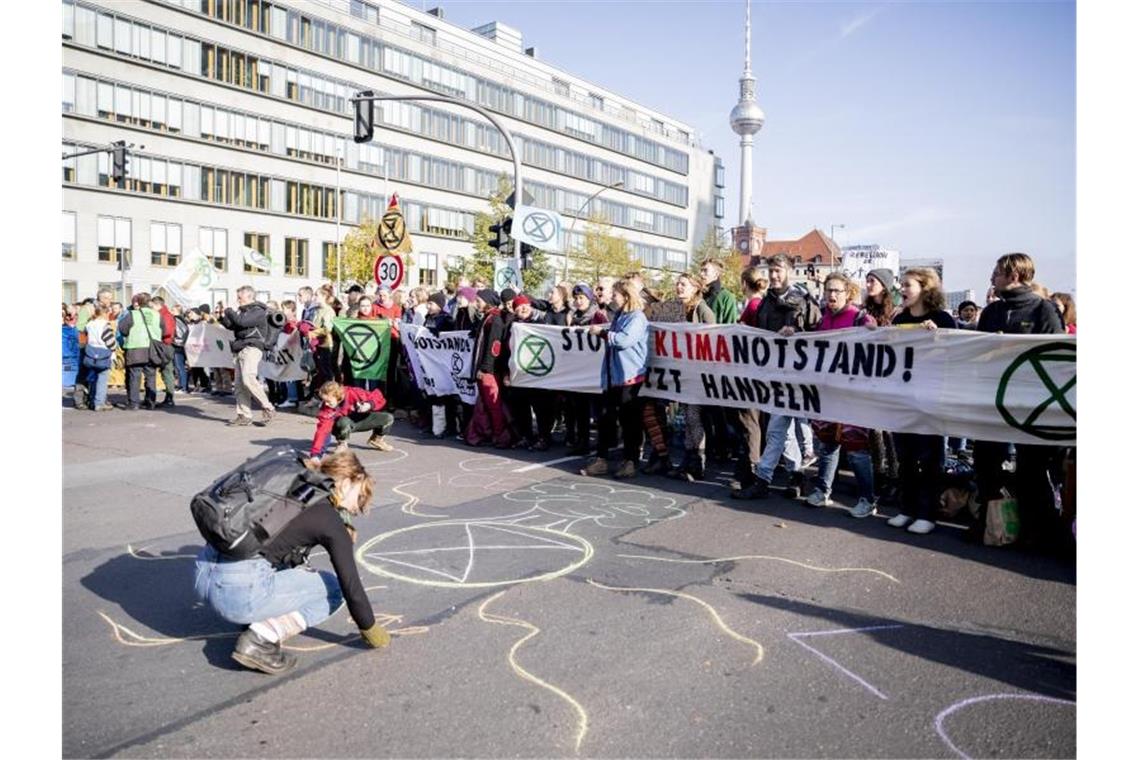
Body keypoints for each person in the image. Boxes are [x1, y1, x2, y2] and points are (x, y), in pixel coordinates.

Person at [193, 450, 389, 675]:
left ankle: (253, 619)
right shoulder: (329, 520)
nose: (356, 508)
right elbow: (351, 587)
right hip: (237, 595)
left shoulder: (291, 485)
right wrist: (372, 631)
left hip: (203, 573)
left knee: (289, 565)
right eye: (360, 497)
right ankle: (260, 640)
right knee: (333, 588)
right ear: (346, 483)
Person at [975, 252, 1065, 548]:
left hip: (1031, 406)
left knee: (1032, 470)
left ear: (1014, 276)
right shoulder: (990, 313)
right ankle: (991, 523)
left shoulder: (1044, 310)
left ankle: (1036, 531)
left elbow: (1055, 359)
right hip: (992, 403)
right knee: (985, 463)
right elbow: (975, 355)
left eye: (996, 272)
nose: (991, 278)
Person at [734, 255, 815, 499]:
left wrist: (797, 333)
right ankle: (797, 476)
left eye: (778, 270)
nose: (774, 275)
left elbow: (817, 331)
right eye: (771, 270)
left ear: (789, 271)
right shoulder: (767, 302)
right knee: (783, 430)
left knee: (778, 429)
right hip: (772, 372)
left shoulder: (801, 299)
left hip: (796, 374)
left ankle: (763, 479)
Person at [885, 268, 958, 535]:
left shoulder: (943, 319)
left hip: (932, 398)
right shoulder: (901, 318)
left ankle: (927, 513)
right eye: (901, 285)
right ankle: (907, 509)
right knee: (905, 457)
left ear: (925, 289)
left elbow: (956, 353)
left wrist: (939, 337)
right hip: (904, 398)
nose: (902, 289)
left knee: (928, 458)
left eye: (908, 285)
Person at [802, 274, 878, 516]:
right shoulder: (822, 320)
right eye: (828, 291)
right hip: (827, 393)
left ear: (848, 293)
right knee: (827, 444)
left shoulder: (859, 318)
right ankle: (823, 490)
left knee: (856, 449)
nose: (831, 295)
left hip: (853, 394)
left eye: (836, 291)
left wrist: (874, 333)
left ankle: (868, 499)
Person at [581, 280, 648, 479]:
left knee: (630, 422)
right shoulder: (620, 316)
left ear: (626, 296)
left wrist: (602, 332)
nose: (613, 298)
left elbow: (624, 340)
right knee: (605, 418)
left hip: (630, 376)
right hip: (613, 375)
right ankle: (601, 459)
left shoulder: (637, 317)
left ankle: (630, 461)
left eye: (616, 294)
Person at [668, 274, 715, 481]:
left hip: (698, 372)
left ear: (696, 288)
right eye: (677, 284)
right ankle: (687, 459)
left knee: (694, 417)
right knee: (686, 417)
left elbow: (713, 340)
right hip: (683, 371)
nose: (679, 287)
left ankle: (697, 461)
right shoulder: (677, 310)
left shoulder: (703, 310)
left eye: (683, 284)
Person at [221, 285, 275, 427]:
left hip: (252, 347)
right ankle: (244, 415)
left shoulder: (258, 311)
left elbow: (241, 322)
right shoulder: (243, 311)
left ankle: (267, 406)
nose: (238, 300)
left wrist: (229, 310)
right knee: (239, 384)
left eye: (240, 297)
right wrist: (223, 315)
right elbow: (232, 326)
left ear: (250, 297)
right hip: (240, 347)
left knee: (248, 377)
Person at [465, 289, 513, 448]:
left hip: (489, 372)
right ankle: (484, 433)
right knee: (484, 404)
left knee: (493, 405)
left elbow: (494, 347)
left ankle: (500, 435)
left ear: (488, 301)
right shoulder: (488, 317)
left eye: (479, 300)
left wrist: (484, 368)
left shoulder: (495, 320)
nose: (475, 303)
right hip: (486, 370)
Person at [565, 283, 609, 455]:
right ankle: (582, 440)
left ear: (589, 299)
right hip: (578, 369)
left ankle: (603, 443)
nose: (578, 301)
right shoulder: (573, 316)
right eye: (576, 298)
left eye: (581, 298)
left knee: (599, 410)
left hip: (595, 369)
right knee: (579, 408)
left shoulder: (597, 315)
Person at [309, 381, 395, 456]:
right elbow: (322, 431)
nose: (326, 404)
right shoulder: (327, 409)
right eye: (324, 401)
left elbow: (378, 396)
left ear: (337, 396)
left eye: (328, 401)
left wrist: (369, 404)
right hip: (342, 425)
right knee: (343, 421)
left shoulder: (353, 392)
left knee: (387, 418)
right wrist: (316, 454)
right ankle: (342, 443)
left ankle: (377, 439)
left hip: (360, 419)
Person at [117, 293, 163, 410]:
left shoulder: (133, 314)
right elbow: (164, 329)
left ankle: (134, 403)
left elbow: (122, 329)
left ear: (138, 302)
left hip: (135, 347)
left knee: (134, 376)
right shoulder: (157, 314)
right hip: (152, 349)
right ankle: (150, 402)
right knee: (151, 376)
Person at [83, 303, 117, 411]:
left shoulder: (89, 324)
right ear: (105, 313)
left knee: (92, 379)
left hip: (90, 353)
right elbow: (110, 342)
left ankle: (91, 401)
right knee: (102, 379)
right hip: (104, 354)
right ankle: (99, 403)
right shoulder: (105, 325)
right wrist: (114, 348)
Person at [150, 296, 178, 407]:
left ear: (158, 305)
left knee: (167, 371)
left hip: (164, 345)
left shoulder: (165, 316)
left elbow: (167, 331)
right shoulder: (162, 314)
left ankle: (170, 397)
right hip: (161, 344)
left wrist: (156, 332)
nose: (151, 308)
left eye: (152, 306)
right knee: (164, 371)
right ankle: (167, 397)